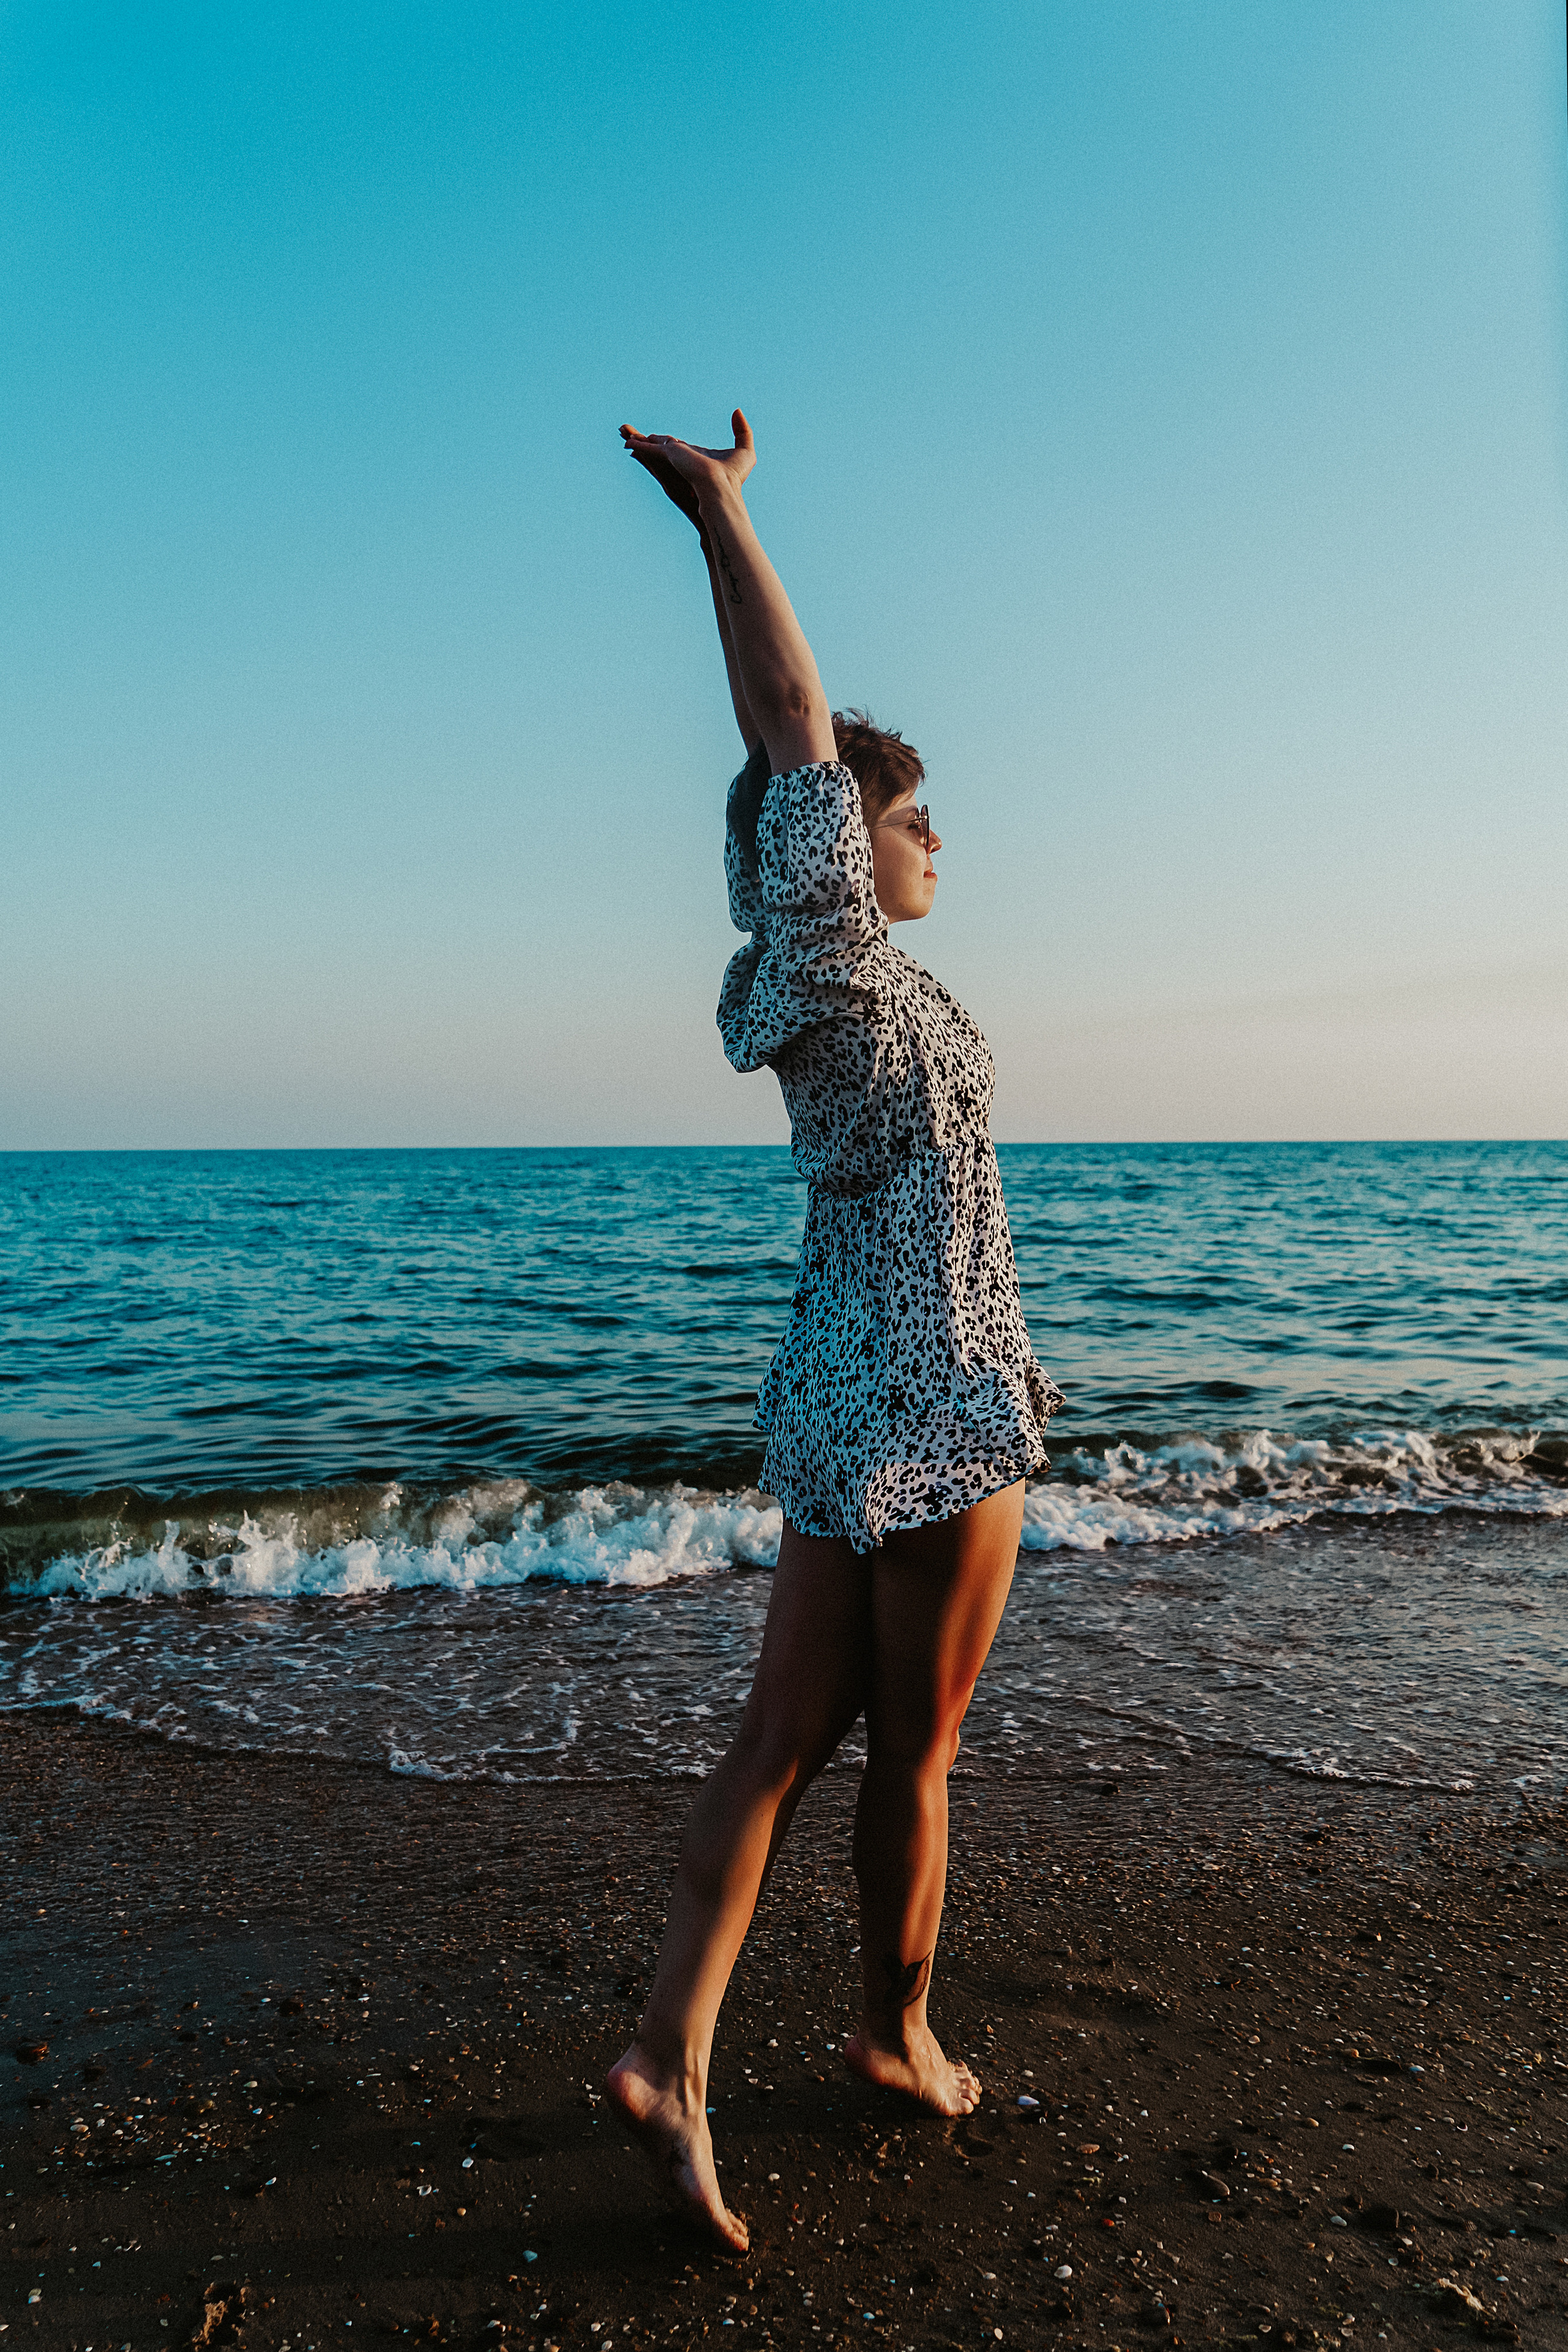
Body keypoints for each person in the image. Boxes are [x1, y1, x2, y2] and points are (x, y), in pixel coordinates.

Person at [606, 410, 1061, 2252]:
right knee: (913, 1758)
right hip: (936, 1399)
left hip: (834, 1401)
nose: (929, 830)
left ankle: (668, 2051)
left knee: (780, 1748)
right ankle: (895, 2037)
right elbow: (789, 735)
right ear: (826, 855)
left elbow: (793, 763)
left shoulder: (838, 986)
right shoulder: (839, 956)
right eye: (906, 815)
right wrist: (722, 518)